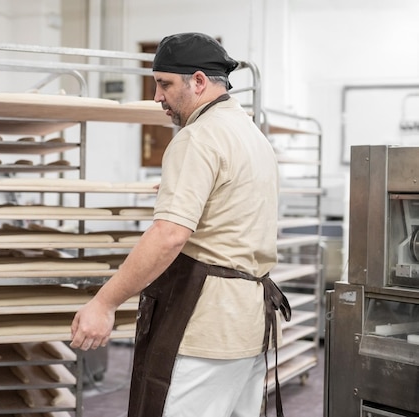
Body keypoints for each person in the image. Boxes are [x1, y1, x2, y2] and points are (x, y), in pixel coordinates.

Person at [70, 32, 290, 417]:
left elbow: (169, 236)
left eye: (164, 84)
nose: (157, 97)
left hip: (205, 329)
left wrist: (104, 303)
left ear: (199, 81)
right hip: (249, 324)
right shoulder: (250, 134)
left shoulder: (198, 138)